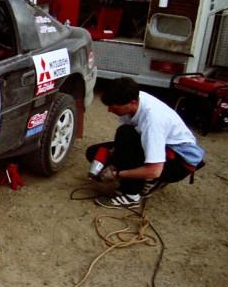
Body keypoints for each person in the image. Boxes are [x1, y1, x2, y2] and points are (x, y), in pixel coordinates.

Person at [87, 77, 205, 210]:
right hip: (161, 148)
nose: (109, 110)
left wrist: (117, 174)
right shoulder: (134, 99)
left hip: (179, 162)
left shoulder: (152, 122)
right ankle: (143, 180)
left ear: (132, 102)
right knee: (94, 152)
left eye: (113, 107)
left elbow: (154, 170)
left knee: (126, 136)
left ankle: (130, 196)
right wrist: (113, 160)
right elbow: (125, 139)